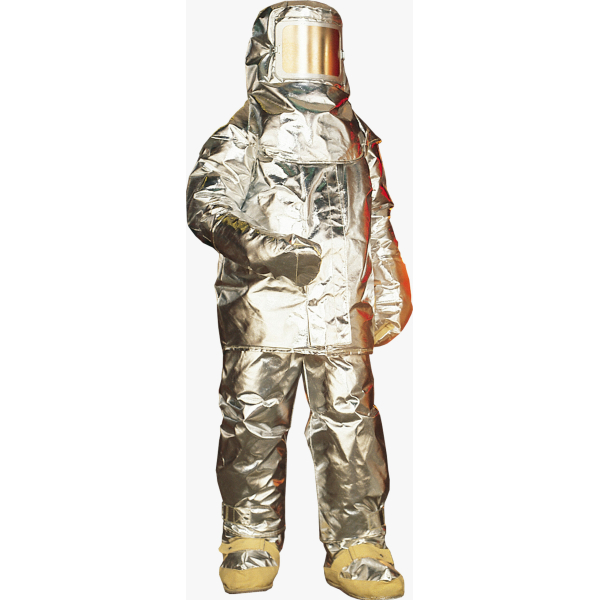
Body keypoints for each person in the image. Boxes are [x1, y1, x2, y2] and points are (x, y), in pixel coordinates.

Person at [187, 2, 412, 597]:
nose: (313, 57)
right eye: (299, 42)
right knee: (253, 423)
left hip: (342, 310)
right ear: (270, 49)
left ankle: (357, 543)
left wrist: (389, 286)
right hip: (264, 312)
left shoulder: (356, 133)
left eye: (323, 42)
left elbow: (377, 216)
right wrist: (268, 252)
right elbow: (207, 206)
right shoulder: (246, 130)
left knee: (352, 427)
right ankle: (249, 535)